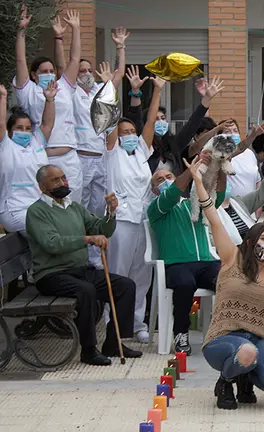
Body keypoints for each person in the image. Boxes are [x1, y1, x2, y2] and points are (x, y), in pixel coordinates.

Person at [181, 156, 264, 410]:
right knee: (247, 352)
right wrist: (198, 182)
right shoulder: (232, 257)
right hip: (223, 338)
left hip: (256, 339)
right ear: (251, 241)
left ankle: (244, 376)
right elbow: (213, 216)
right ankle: (226, 381)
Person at [26, 164, 141, 365]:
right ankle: (88, 349)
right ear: (42, 187)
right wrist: (87, 239)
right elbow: (51, 243)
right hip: (51, 274)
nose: (62, 183)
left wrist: (111, 213)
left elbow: (100, 228)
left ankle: (114, 343)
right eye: (55, 180)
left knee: (125, 286)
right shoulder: (37, 211)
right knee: (86, 291)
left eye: (63, 178)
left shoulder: (74, 206)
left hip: (79, 270)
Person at [103, 73, 164, 344]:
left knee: (142, 273)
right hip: (121, 220)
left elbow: (150, 121)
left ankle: (138, 323)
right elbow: (112, 121)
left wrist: (158, 89)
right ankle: (112, 324)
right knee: (119, 273)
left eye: (131, 132)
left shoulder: (141, 151)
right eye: (124, 132)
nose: (128, 135)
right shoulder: (112, 151)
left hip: (144, 219)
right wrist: (112, 87)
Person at [147, 152, 224, 354]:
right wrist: (190, 173)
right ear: (155, 190)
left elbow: (219, 196)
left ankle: (226, 331)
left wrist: (222, 167)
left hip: (206, 262)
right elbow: (172, 194)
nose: (165, 181)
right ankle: (180, 334)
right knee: (184, 284)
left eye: (168, 177)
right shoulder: (156, 208)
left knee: (229, 279)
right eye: (159, 180)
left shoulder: (194, 203)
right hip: (177, 264)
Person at [15, 8, 83, 202]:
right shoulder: (28, 91)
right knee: (44, 205)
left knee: (72, 206)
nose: (49, 74)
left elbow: (74, 59)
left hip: (68, 157)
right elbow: (20, 60)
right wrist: (22, 31)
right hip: (41, 157)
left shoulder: (63, 86)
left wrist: (76, 29)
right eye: (44, 71)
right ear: (34, 75)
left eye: (51, 70)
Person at [72, 29, 127, 217]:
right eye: (82, 71)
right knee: (80, 204)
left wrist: (120, 46)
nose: (86, 73)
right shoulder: (70, 92)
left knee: (98, 206)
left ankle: (96, 246)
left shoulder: (98, 89)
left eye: (89, 70)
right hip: (80, 157)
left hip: (101, 157)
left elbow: (119, 74)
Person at [0, 83, 55, 235]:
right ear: (10, 131)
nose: (24, 132)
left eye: (28, 128)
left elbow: (48, 124)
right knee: (46, 234)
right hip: (15, 209)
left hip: (40, 207)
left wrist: (50, 100)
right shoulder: (6, 146)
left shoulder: (37, 142)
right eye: (19, 128)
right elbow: (0, 123)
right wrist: (3, 97)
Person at [219, 148, 264, 245]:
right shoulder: (209, 211)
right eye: (221, 180)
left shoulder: (239, 203)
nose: (225, 183)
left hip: (249, 254)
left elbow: (263, 193)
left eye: (226, 179)